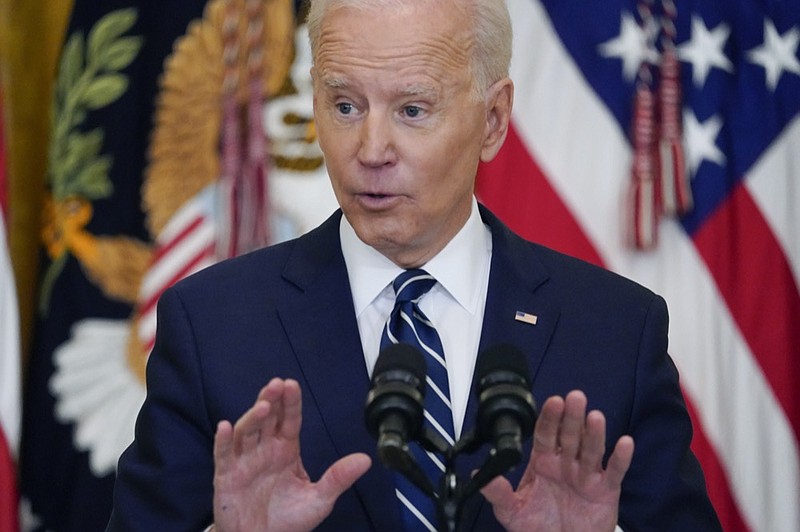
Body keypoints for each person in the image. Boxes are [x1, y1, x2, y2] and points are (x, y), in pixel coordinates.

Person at [107, 0, 722, 530]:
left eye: (412, 110)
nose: (371, 151)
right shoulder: (212, 326)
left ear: (493, 119)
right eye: (345, 106)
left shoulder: (615, 330)